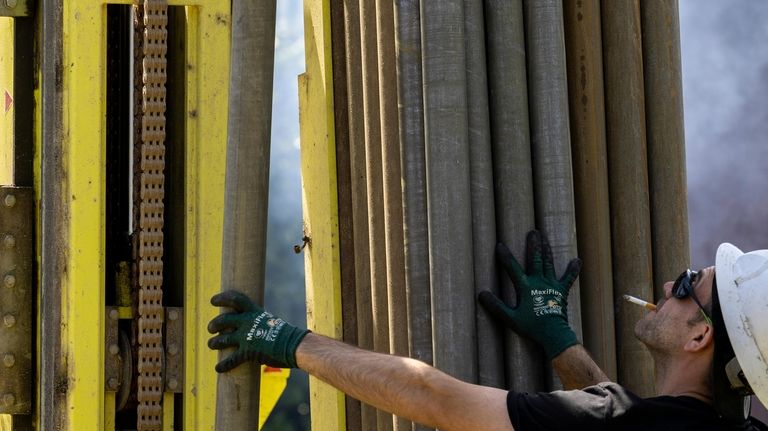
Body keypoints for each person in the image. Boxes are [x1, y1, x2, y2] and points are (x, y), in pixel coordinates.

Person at [208, 230, 768, 430]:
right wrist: (559, 341)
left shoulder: (621, 422)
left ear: (700, 337)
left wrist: (290, 341)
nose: (672, 282)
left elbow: (434, 397)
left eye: (686, 284)